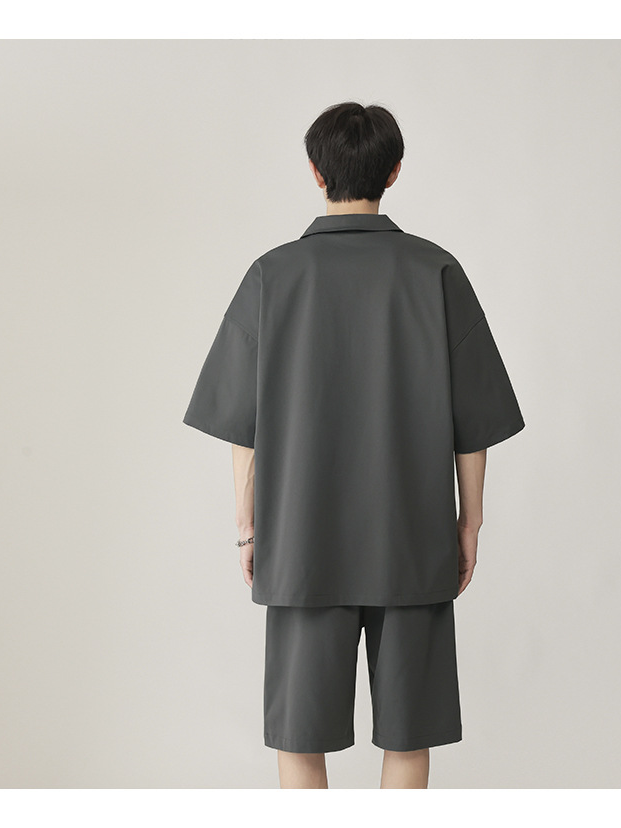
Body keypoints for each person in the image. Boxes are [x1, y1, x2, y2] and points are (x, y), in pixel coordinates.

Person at [183, 101, 526, 788]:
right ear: (394, 172)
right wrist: (469, 523)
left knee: (299, 738)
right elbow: (474, 425)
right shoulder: (437, 271)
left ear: (316, 172)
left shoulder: (272, 276)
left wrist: (249, 529)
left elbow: (244, 430)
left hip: (303, 544)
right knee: (409, 736)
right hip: (412, 541)